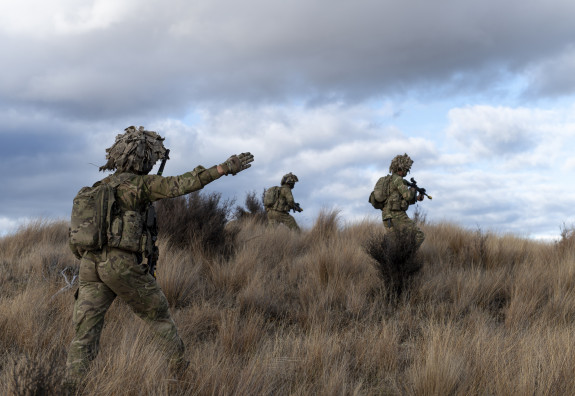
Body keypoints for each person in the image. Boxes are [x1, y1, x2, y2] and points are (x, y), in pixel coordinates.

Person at [65, 126, 254, 385]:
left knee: (84, 334)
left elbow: (75, 237)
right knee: (160, 317)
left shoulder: (99, 187)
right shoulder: (141, 185)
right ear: (144, 157)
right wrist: (222, 168)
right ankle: (183, 378)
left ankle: (70, 386)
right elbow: (184, 184)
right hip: (120, 264)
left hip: (89, 265)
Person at [375, 153, 425, 250]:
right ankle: (407, 256)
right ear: (400, 169)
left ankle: (394, 260)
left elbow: (399, 199)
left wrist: (416, 198)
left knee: (395, 243)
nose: (407, 171)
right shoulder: (398, 180)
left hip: (386, 216)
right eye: (406, 169)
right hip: (396, 215)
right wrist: (413, 190)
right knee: (419, 235)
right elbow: (407, 196)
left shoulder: (389, 180)